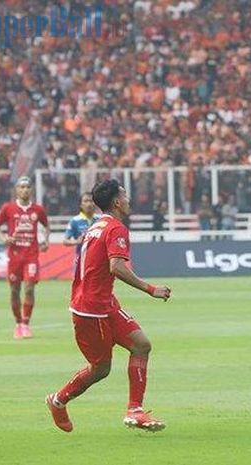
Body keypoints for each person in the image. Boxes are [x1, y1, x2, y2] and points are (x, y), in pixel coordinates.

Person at [45, 179, 172, 433]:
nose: (128, 200)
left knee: (141, 345)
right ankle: (58, 401)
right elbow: (116, 266)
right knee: (101, 369)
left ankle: (135, 410)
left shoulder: (96, 226)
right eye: (125, 195)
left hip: (104, 303)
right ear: (116, 201)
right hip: (92, 310)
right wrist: (151, 289)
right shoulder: (115, 228)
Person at [0, 176, 50, 339]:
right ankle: (18, 322)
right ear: (16, 190)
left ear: (31, 190)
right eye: (22, 187)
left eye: (27, 187)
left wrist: (45, 240)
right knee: (14, 290)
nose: (25, 190)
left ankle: (25, 323)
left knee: (30, 288)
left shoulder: (38, 210)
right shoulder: (8, 208)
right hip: (15, 256)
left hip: (31, 255)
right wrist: (3, 238)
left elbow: (46, 226)